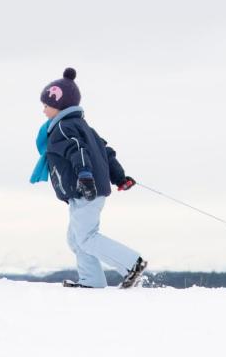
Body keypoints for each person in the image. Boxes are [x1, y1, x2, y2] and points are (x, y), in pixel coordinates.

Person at [30, 67, 147, 289]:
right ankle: (91, 281)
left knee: (85, 237)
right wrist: (120, 178)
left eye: (46, 105)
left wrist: (85, 177)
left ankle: (132, 263)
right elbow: (105, 152)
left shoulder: (62, 129)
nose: (43, 110)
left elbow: (78, 151)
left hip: (85, 189)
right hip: (85, 190)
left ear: (60, 105)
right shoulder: (83, 126)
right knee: (76, 239)